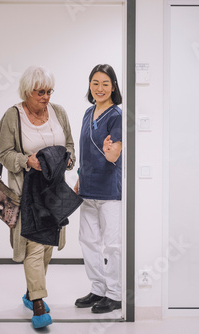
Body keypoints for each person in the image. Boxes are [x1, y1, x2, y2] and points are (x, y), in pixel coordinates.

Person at [0, 66, 76, 328]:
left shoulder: (59, 113)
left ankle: (31, 293)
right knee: (34, 247)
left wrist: (67, 160)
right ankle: (39, 304)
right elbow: (5, 153)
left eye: (49, 91)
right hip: (27, 194)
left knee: (47, 247)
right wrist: (27, 160)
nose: (46, 97)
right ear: (27, 91)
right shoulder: (12, 116)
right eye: (40, 92)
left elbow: (69, 147)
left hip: (54, 193)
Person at [74, 64, 123, 313]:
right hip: (88, 188)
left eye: (105, 83)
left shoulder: (116, 115)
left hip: (109, 191)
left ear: (113, 86)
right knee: (88, 241)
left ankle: (115, 294)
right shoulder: (87, 113)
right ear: (90, 85)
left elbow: (114, 155)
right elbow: (85, 152)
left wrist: (109, 150)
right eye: (95, 83)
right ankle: (98, 289)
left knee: (112, 245)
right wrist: (79, 178)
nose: (100, 88)